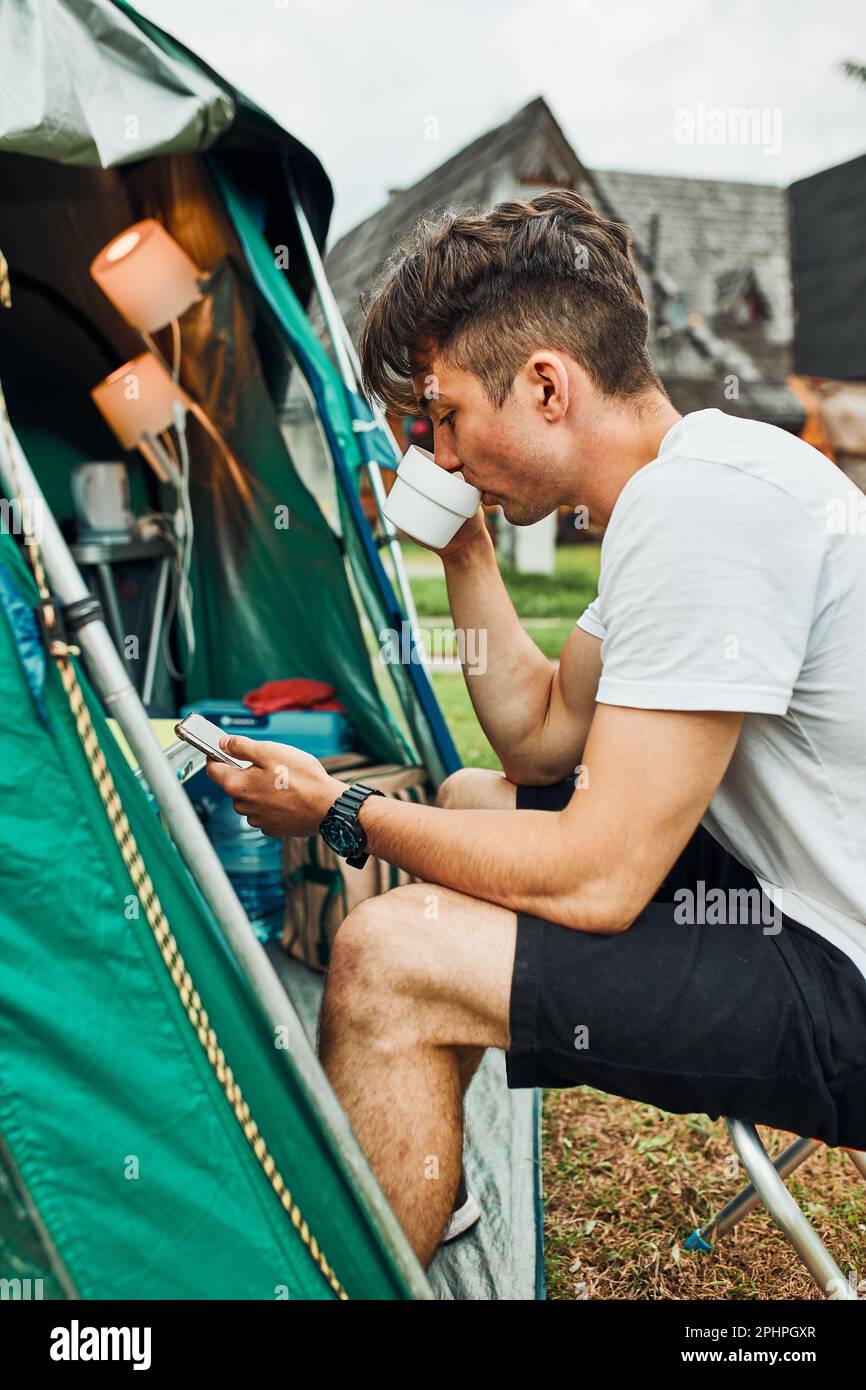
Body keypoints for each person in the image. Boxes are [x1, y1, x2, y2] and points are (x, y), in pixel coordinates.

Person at [206, 190, 866, 1268]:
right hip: (778, 888)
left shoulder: (704, 510)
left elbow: (597, 878)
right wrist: (461, 546)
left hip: (840, 967)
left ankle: (347, 1271)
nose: (441, 451)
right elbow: (539, 740)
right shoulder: (680, 486)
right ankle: (423, 1173)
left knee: (384, 952)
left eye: (447, 415)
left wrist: (343, 809)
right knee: (470, 796)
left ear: (546, 385)